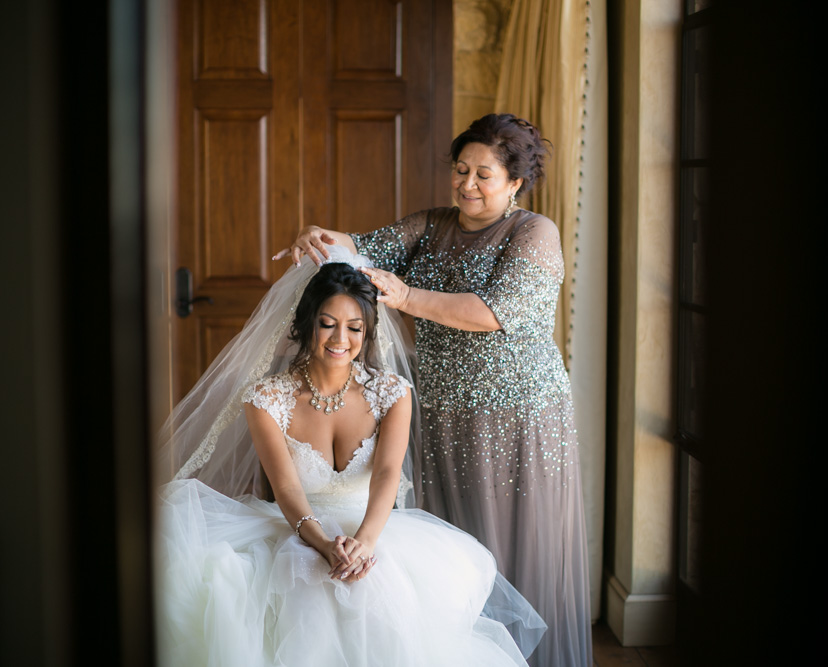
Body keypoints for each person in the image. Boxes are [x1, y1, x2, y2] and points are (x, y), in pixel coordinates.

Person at [275, 113, 592, 667]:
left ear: (515, 182)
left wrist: (404, 296)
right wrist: (318, 235)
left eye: (484, 174)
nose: (467, 184)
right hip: (442, 410)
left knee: (517, 547)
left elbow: (491, 313)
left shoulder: (534, 233)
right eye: (461, 169)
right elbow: (362, 247)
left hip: (517, 417)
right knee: (453, 547)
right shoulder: (433, 223)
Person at [156, 251, 545, 666]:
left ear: (368, 331)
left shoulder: (391, 393)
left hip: (374, 528)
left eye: (354, 327)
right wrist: (323, 544)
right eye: (328, 324)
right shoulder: (267, 399)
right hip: (298, 526)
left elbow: (387, 473)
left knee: (380, 595)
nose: (341, 339)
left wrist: (364, 544)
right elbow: (285, 486)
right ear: (307, 323)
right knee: (297, 589)